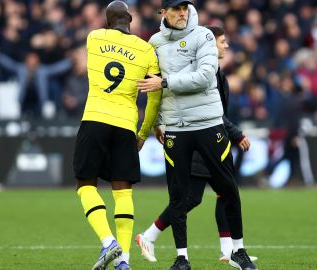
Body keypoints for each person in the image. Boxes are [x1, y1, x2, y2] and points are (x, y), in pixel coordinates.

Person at [136, 2, 258, 269]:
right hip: (176, 128)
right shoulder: (154, 42)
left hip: (208, 125)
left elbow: (204, 77)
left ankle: (238, 250)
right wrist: (156, 121)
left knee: (227, 188)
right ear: (163, 12)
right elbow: (152, 85)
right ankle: (182, 258)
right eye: (175, 9)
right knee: (179, 197)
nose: (182, 13)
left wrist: (166, 82)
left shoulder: (203, 35)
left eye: (185, 8)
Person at [73, 1, 162, 270]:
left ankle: (108, 240)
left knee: (85, 184)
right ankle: (124, 261)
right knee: (122, 191)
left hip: (95, 119)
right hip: (125, 125)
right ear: (131, 19)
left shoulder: (94, 38)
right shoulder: (146, 49)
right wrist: (144, 132)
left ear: (107, 19)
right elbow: (155, 95)